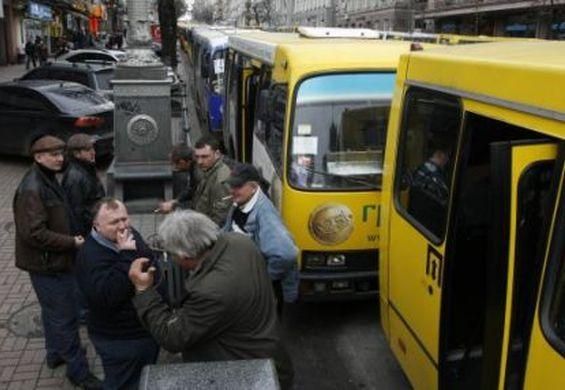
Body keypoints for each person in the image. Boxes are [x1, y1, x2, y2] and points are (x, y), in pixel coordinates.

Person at [128, 210, 294, 389]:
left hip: (247, 374)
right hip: (270, 355)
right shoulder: (241, 242)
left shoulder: (211, 292)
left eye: (172, 254)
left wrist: (144, 290)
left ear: (184, 256)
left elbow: (172, 337)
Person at [13, 135, 102, 389]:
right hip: (48, 264)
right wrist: (71, 242)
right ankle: (79, 371)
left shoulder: (46, 178)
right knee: (66, 317)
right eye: (53, 155)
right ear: (38, 157)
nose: (60, 158)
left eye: (61, 154)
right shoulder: (32, 188)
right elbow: (34, 234)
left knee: (53, 312)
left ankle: (55, 354)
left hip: (52, 262)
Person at [75, 198, 159, 390]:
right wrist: (127, 256)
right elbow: (107, 297)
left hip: (143, 328)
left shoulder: (128, 234)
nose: (122, 226)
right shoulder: (89, 256)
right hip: (120, 340)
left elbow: (150, 259)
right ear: (96, 225)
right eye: (114, 222)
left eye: (124, 219)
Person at [223, 163, 299, 315]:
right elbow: (227, 229)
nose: (232, 191)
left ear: (253, 187)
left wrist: (263, 279)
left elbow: (287, 254)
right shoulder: (241, 202)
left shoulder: (265, 214)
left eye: (237, 186)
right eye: (231, 185)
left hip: (264, 294)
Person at [159, 136, 231, 226]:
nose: (200, 161)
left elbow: (220, 218)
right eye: (197, 157)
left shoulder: (220, 180)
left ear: (217, 154)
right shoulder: (208, 170)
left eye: (205, 157)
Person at [62, 134, 106, 237]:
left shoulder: (87, 168)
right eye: (88, 150)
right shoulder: (75, 177)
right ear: (77, 154)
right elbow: (76, 212)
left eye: (93, 149)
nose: (93, 153)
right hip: (89, 231)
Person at [157, 143, 198, 212]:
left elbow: (198, 199)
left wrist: (174, 205)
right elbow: (191, 189)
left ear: (182, 162)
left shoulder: (197, 173)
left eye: (176, 165)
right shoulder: (193, 169)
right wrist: (175, 201)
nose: (175, 168)